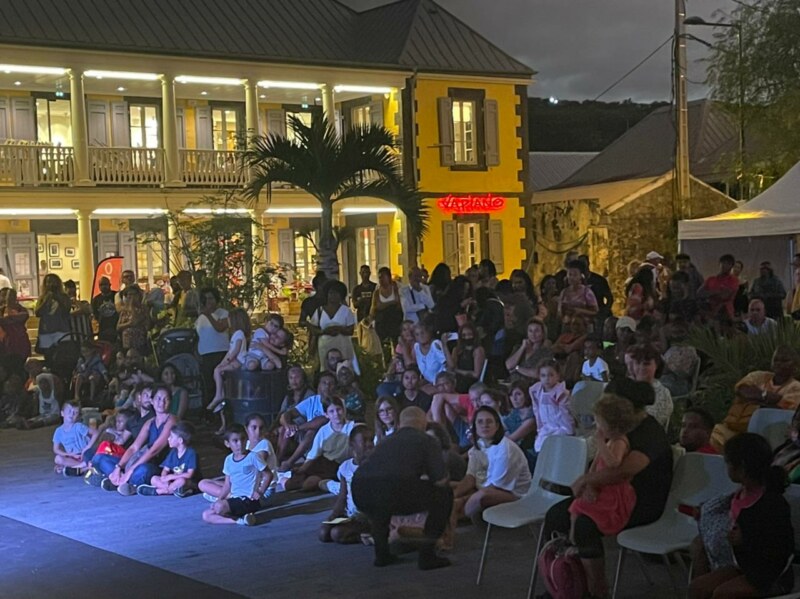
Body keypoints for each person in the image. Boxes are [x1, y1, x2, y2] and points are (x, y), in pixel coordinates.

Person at [543, 378, 673, 598]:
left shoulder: (649, 432)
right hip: (608, 494)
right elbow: (599, 463)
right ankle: (566, 584)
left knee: (584, 525)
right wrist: (590, 484)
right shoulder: (613, 429)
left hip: (639, 502)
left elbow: (624, 471)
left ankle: (597, 590)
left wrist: (587, 481)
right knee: (556, 515)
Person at [689, 433, 794, 599]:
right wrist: (705, 512)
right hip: (742, 563)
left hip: (769, 574)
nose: (727, 468)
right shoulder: (739, 495)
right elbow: (723, 512)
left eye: (728, 463)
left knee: (722, 594)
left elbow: (780, 549)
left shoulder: (772, 504)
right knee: (698, 587)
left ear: (742, 468)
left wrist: (746, 539)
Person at [352, 406, 453, 570]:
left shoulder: (386, 441)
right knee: (444, 495)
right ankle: (427, 555)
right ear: (424, 423)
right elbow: (440, 480)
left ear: (400, 424)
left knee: (380, 507)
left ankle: (382, 555)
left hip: (360, 490)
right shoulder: (426, 440)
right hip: (392, 489)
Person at [569, 394, 639, 537]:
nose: (597, 427)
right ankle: (571, 537)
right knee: (576, 507)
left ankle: (573, 539)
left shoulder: (619, 442)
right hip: (600, 486)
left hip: (613, 492)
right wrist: (589, 484)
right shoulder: (609, 441)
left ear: (614, 427)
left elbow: (613, 463)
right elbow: (595, 465)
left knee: (579, 507)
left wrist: (600, 442)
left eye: (600, 424)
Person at [711, 345, 800, 451]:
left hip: (761, 437)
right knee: (710, 436)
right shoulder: (758, 376)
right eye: (776, 360)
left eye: (784, 360)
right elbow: (742, 390)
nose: (778, 363)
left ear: (795, 366)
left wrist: (754, 397)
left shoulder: (796, 387)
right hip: (730, 430)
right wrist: (765, 396)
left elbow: (779, 412)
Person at [94, 385, 177, 496]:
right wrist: (119, 467)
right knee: (100, 458)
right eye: (158, 398)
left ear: (170, 402)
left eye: (165, 399)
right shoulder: (150, 422)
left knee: (143, 470)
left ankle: (123, 482)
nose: (161, 402)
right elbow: (134, 447)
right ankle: (120, 480)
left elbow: (154, 450)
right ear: (152, 401)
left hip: (160, 466)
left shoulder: (172, 420)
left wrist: (131, 470)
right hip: (143, 461)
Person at [452, 406, 532, 521]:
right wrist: (453, 495)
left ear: (497, 426)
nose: (485, 425)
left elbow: (495, 487)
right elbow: (470, 477)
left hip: (514, 495)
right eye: (480, 422)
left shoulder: (505, 449)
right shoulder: (479, 445)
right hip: (487, 487)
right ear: (475, 426)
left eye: (489, 421)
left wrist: (461, 500)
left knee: (481, 496)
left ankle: (456, 516)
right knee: (449, 488)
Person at [201, 424, 269, 526]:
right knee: (206, 515)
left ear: (247, 439)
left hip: (248, 500)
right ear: (227, 443)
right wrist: (219, 500)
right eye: (235, 441)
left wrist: (260, 491)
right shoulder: (228, 460)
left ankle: (238, 515)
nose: (240, 444)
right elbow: (227, 485)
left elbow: (268, 474)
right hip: (235, 498)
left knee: (220, 507)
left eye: (243, 439)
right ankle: (240, 520)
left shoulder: (253, 456)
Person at [286, 398, 356, 492]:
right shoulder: (324, 430)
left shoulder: (352, 427)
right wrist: (302, 468)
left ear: (344, 410)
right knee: (289, 485)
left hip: (338, 466)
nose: (336, 414)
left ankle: (325, 483)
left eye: (338, 410)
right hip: (322, 463)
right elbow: (313, 455)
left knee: (309, 484)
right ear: (326, 414)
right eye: (331, 411)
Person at [319, 425, 374, 544]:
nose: (369, 444)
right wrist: (334, 515)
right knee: (323, 533)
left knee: (337, 533)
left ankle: (364, 537)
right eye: (364, 440)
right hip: (351, 515)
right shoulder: (345, 467)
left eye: (371, 440)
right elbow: (342, 497)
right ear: (352, 444)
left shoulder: (375, 465)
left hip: (367, 517)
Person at [277, 372, 336, 471]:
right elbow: (285, 415)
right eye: (324, 383)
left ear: (335, 387)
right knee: (283, 429)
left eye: (331, 383)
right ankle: (277, 461)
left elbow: (323, 420)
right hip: (308, 439)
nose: (327, 386)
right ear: (318, 386)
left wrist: (297, 428)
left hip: (329, 438)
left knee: (312, 431)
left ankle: (289, 462)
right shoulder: (312, 401)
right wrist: (288, 426)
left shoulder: (338, 402)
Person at [206, 308, 250, 422]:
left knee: (218, 371)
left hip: (239, 361)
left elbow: (235, 351)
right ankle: (220, 395)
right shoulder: (235, 334)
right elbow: (230, 352)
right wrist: (222, 363)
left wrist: (227, 361)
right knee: (217, 370)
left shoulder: (239, 334)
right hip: (234, 360)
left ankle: (218, 394)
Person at [309, 279, 359, 375]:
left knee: (343, 369)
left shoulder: (346, 311)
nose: (333, 296)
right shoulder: (319, 311)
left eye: (337, 293)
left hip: (343, 346)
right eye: (331, 293)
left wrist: (339, 329)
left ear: (341, 296)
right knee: (325, 369)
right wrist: (324, 331)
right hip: (324, 347)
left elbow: (350, 331)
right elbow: (313, 329)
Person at [136, 421, 199, 497]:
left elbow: (189, 475)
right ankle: (174, 490)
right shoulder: (173, 452)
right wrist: (164, 477)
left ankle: (159, 491)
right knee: (154, 479)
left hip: (188, 481)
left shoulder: (191, 453)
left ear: (180, 440)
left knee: (181, 481)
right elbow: (165, 469)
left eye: (171, 437)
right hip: (173, 481)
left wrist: (171, 476)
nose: (168, 439)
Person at [529, 359, 573, 462]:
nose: (547, 379)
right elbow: (537, 412)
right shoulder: (536, 391)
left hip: (560, 427)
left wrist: (568, 430)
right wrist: (539, 429)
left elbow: (566, 413)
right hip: (546, 427)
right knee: (539, 446)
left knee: (553, 448)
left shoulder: (561, 392)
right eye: (543, 375)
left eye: (551, 375)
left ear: (558, 376)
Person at [195, 287, 229, 410]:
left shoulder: (223, 313)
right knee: (208, 384)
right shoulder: (201, 316)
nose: (208, 301)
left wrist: (208, 315)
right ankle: (209, 412)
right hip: (206, 354)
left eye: (211, 298)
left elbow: (220, 328)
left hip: (220, 352)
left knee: (220, 384)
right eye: (206, 299)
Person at [52, 401, 96, 476]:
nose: (71, 414)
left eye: (75, 413)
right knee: (58, 459)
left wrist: (87, 447)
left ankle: (76, 469)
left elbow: (96, 433)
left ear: (78, 416)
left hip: (84, 454)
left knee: (90, 456)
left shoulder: (78, 426)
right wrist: (69, 454)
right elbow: (56, 449)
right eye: (69, 411)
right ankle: (83, 467)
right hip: (73, 457)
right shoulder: (58, 431)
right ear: (62, 413)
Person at [442, 322, 485, 393]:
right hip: (456, 379)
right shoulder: (457, 349)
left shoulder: (478, 350)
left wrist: (457, 371)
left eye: (469, 334)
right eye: (464, 335)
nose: (467, 337)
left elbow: (476, 374)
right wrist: (444, 345)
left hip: (469, 382)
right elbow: (451, 366)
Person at [35, 273, 71, 359]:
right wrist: (45, 301)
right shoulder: (42, 297)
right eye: (48, 282)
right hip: (46, 331)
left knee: (62, 355)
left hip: (61, 330)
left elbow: (67, 310)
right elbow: (37, 313)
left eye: (53, 282)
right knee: (48, 356)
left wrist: (57, 298)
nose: (50, 284)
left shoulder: (64, 296)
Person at [557, 259, 598, 327]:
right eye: (570, 274)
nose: (571, 277)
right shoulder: (564, 292)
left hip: (583, 325)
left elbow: (595, 311)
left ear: (581, 276)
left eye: (575, 275)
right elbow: (559, 312)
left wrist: (579, 311)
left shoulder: (586, 292)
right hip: (567, 325)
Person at [369, 267, 403, 347]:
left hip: (395, 322)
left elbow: (400, 304)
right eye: (379, 277)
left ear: (389, 277)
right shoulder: (377, 293)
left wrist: (384, 305)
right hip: (381, 323)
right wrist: (392, 302)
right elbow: (375, 307)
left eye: (383, 277)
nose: (381, 280)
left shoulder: (397, 288)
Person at [698, 254, 739, 319]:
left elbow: (724, 296)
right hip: (709, 310)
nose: (725, 265)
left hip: (725, 313)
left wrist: (708, 293)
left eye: (728, 264)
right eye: (723, 263)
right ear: (719, 264)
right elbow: (699, 293)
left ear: (732, 266)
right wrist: (717, 292)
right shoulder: (711, 279)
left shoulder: (733, 280)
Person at [412, 319, 446, 393]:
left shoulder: (435, 344)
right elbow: (412, 364)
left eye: (422, 333)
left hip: (442, 383)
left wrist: (437, 384)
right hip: (428, 382)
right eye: (417, 334)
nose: (420, 336)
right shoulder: (416, 346)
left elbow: (447, 366)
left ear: (429, 332)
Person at [0, 287, 30, 362]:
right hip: (6, 342)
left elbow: (24, 316)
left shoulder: (21, 310)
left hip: (18, 340)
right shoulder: (2, 310)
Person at [116, 286, 149, 355]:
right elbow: (118, 327)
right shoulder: (124, 311)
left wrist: (131, 306)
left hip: (139, 343)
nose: (132, 297)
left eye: (134, 294)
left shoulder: (143, 308)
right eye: (129, 294)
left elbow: (135, 321)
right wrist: (128, 324)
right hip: (126, 343)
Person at [91, 277, 119, 344]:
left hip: (116, 327)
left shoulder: (116, 295)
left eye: (105, 284)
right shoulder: (95, 300)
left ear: (110, 285)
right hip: (102, 329)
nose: (103, 286)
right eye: (101, 285)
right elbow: (95, 316)